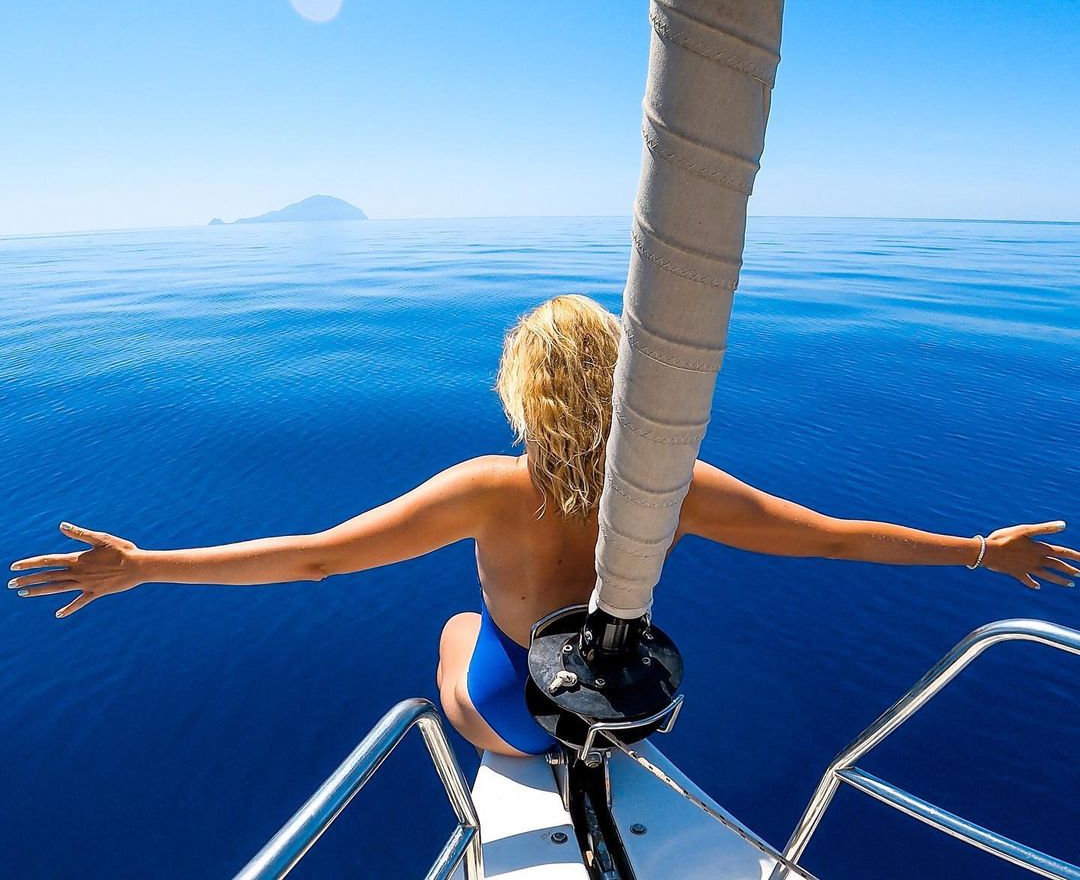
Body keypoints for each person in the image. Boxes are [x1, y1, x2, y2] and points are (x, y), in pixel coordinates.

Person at [9, 294, 1078, 757]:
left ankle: (506, 746)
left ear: (522, 394)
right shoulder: (673, 483)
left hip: (526, 717)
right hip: (637, 709)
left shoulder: (483, 487)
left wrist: (142, 564)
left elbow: (319, 558)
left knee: (452, 634)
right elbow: (837, 536)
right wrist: (986, 550)